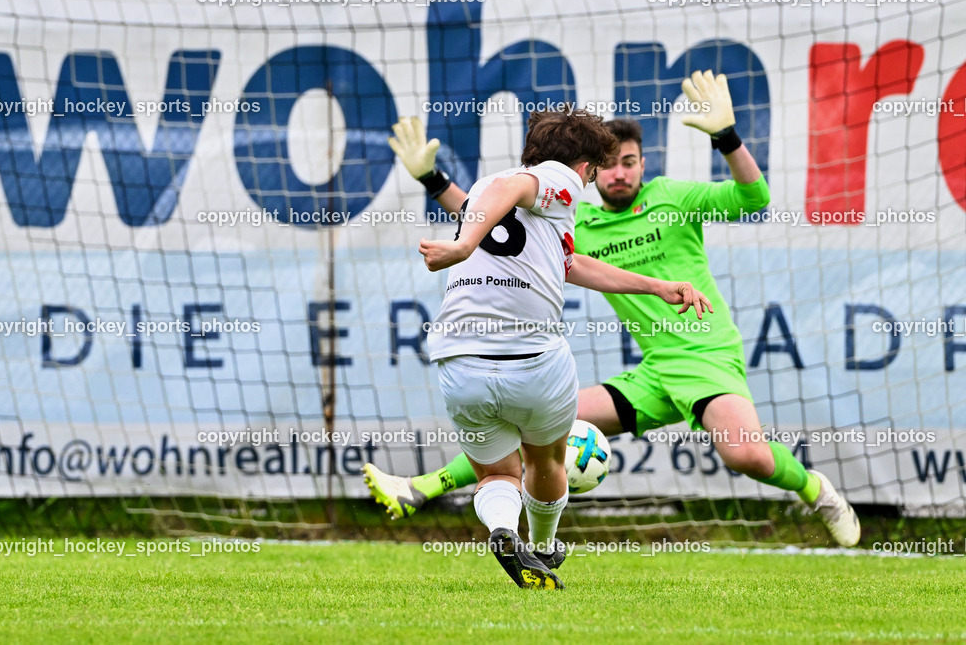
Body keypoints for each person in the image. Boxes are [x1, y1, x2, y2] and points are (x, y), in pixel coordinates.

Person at [365, 71, 861, 549]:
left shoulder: (674, 199)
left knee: (745, 454)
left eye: (631, 162)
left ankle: (816, 490)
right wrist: (433, 179)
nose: (620, 172)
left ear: (643, 165)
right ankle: (422, 488)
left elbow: (754, 197)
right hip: (654, 373)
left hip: (705, 354)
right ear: (593, 172)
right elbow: (498, 223)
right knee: (540, 427)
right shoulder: (581, 219)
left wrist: (727, 137)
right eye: (612, 165)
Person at [411, 108, 713, 590]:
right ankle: (546, 545)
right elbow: (519, 189)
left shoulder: (502, 195)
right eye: (596, 168)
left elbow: (569, 264)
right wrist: (465, 245)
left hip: (458, 360)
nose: (594, 180)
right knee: (547, 460)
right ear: (584, 164)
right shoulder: (553, 177)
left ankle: (505, 529)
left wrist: (657, 287)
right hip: (531, 360)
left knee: (496, 473)